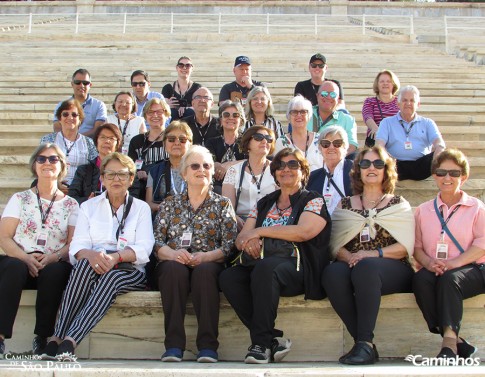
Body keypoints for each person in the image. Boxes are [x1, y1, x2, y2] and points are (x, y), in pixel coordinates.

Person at [219, 148, 331, 364]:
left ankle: (259, 345)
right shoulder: (264, 203)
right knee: (229, 277)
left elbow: (303, 232)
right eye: (280, 165)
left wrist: (259, 232)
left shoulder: (313, 200)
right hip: (263, 267)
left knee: (266, 268)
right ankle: (270, 340)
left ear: (304, 171)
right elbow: (241, 239)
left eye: (293, 165)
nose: (285, 169)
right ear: (274, 173)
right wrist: (248, 240)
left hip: (297, 269)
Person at [41, 152, 155, 360]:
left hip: (129, 269)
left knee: (111, 278)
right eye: (110, 175)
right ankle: (57, 338)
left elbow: (144, 249)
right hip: (94, 263)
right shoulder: (88, 207)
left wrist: (117, 257)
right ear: (102, 179)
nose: (116, 180)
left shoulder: (141, 209)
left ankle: (71, 339)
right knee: (83, 266)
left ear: (131, 179)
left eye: (122, 175)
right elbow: (78, 246)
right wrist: (92, 255)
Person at [322, 146, 415, 365]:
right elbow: (335, 244)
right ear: (358, 171)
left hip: (392, 267)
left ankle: (364, 342)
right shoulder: (345, 204)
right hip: (355, 264)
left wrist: (372, 254)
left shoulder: (398, 204)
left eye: (378, 164)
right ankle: (364, 344)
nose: (371, 168)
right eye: (365, 164)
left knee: (367, 267)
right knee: (332, 273)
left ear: (386, 171)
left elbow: (405, 247)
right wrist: (350, 257)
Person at [153, 145, 237, 363]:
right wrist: (173, 254)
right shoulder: (171, 204)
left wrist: (206, 257)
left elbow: (229, 245)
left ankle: (208, 347)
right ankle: (173, 346)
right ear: (184, 173)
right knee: (172, 270)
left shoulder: (222, 204)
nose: (202, 170)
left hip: (209, 262)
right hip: (173, 261)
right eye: (195, 166)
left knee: (205, 272)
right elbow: (156, 242)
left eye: (207, 166)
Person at [0, 144, 78, 357]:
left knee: (56, 272)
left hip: (52, 261)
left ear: (62, 166)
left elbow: (73, 243)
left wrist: (52, 257)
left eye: (53, 159)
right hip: (19, 259)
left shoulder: (71, 204)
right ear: (34, 165)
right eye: (42, 159)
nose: (47, 163)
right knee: (13, 267)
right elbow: (4, 237)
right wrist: (26, 258)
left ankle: (42, 338)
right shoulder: (20, 198)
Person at [413, 148, 485, 360]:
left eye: (454, 173)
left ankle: (449, 346)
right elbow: (416, 247)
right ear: (434, 175)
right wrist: (428, 263)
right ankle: (458, 342)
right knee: (420, 280)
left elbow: (482, 244)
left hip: (473, 268)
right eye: (442, 173)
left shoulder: (476, 207)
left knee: (448, 280)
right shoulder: (423, 210)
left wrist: (454, 263)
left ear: (464, 176)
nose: (447, 178)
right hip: (436, 267)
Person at [376, 85, 446, 181]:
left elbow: (440, 143)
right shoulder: (386, 122)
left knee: (444, 152)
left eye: (412, 100)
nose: (408, 103)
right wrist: (388, 159)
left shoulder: (428, 123)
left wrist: (438, 151)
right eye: (404, 100)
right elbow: (379, 145)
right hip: (394, 165)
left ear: (418, 104)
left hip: (422, 166)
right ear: (398, 103)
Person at [222, 125, 278, 231]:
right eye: (258, 137)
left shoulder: (277, 170)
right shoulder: (234, 170)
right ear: (248, 143)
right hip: (240, 223)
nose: (264, 141)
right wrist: (235, 218)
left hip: (269, 223)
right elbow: (227, 207)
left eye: (268, 139)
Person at [68, 123, 139, 203]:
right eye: (103, 137)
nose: (107, 141)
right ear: (96, 141)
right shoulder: (84, 170)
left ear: (118, 143)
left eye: (111, 138)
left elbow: (134, 196)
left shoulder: (127, 169)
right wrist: (88, 201)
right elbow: (72, 197)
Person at [41, 99, 98, 191]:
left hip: (81, 189)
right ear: (60, 119)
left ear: (80, 120)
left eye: (74, 115)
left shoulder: (89, 143)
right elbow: (42, 165)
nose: (70, 117)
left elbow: (94, 170)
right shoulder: (48, 140)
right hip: (53, 185)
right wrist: (56, 183)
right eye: (65, 114)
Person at [146, 121, 193, 213]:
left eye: (182, 139)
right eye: (171, 139)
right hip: (164, 217)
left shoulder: (199, 169)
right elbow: (149, 204)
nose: (177, 143)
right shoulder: (154, 171)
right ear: (164, 144)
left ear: (190, 144)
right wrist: (165, 207)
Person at [128, 98, 169, 201]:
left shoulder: (173, 140)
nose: (155, 115)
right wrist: (138, 173)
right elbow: (130, 167)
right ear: (145, 116)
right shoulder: (137, 141)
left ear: (167, 115)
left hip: (166, 185)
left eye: (159, 111)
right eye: (150, 112)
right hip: (142, 187)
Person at [306, 126, 353, 215]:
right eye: (325, 144)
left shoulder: (356, 171)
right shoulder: (312, 177)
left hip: (348, 225)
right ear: (320, 148)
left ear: (345, 147)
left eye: (337, 143)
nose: (331, 147)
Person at [307, 81, 358, 157]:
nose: (328, 97)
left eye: (333, 94)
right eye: (324, 94)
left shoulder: (348, 120)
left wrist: (333, 157)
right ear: (317, 96)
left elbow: (352, 145)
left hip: (335, 161)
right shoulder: (305, 114)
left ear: (338, 99)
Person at [206, 100, 247, 194]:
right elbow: (210, 161)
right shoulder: (211, 142)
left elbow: (252, 161)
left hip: (242, 183)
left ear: (241, 121)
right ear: (220, 120)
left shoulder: (247, 142)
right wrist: (216, 165)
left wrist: (229, 164)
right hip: (217, 186)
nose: (231, 118)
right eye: (226, 115)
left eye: (235, 115)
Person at [53, 68, 107, 137]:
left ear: (90, 85)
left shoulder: (99, 105)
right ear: (72, 84)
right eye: (77, 82)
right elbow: (57, 127)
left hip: (90, 145)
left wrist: (78, 139)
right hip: (65, 144)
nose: (81, 85)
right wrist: (70, 139)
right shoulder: (61, 105)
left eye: (85, 83)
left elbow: (98, 129)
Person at [275, 95, 322, 172]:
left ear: (309, 116)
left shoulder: (320, 140)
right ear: (288, 116)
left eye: (303, 112)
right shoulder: (281, 142)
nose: (299, 115)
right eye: (294, 112)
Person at [362, 70, 400, 147]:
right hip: (376, 138)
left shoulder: (400, 101)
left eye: (388, 81)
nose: (385, 83)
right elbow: (367, 116)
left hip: (396, 138)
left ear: (393, 84)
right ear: (377, 84)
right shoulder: (369, 101)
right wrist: (377, 129)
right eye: (382, 81)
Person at [162, 56, 202, 121]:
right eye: (181, 65)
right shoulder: (167, 88)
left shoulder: (197, 88)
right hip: (172, 124)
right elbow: (163, 109)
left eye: (188, 65)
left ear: (192, 68)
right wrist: (168, 105)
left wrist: (187, 108)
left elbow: (200, 107)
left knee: (190, 112)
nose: (184, 68)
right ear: (177, 68)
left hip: (191, 123)